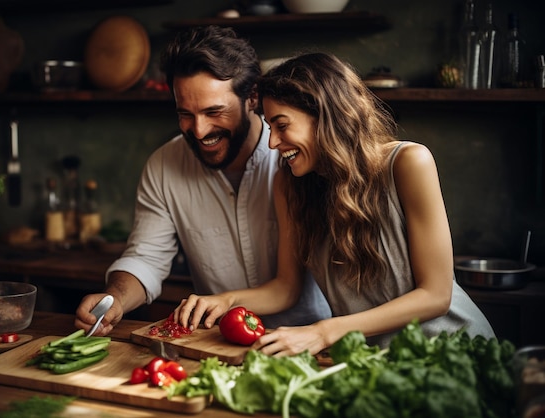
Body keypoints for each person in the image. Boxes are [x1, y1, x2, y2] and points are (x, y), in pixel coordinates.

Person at [174, 52, 495, 354]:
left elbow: (436, 296)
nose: (272, 142)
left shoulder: (409, 163)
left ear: (325, 116)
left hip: (456, 350)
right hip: (378, 364)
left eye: (282, 126)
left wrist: (324, 332)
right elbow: (286, 288)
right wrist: (225, 301)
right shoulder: (288, 184)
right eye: (271, 128)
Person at [75, 26, 331, 336]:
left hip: (312, 341)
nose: (198, 130)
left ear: (252, 97)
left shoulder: (293, 159)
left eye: (214, 111)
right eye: (185, 113)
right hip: (220, 344)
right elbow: (146, 258)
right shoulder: (163, 166)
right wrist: (114, 299)